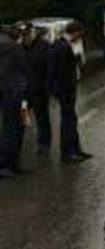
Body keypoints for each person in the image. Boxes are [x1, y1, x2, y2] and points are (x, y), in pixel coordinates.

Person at [50, 21, 91, 164]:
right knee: (68, 122)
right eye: (79, 34)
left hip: (66, 89)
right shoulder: (62, 47)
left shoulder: (62, 45)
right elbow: (61, 71)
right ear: (75, 32)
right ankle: (67, 153)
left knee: (71, 120)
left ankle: (76, 149)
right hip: (65, 90)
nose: (80, 37)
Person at [0, 25, 29, 177]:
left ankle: (11, 164)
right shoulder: (10, 45)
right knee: (12, 129)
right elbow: (15, 71)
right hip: (13, 92)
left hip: (10, 91)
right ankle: (7, 164)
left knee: (12, 127)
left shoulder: (6, 43)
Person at [22, 23, 52, 154]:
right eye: (23, 34)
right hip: (23, 92)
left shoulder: (44, 46)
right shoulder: (18, 47)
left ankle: (44, 144)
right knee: (21, 117)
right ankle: (17, 145)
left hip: (40, 90)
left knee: (42, 119)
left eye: (27, 34)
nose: (25, 37)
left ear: (32, 33)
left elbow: (49, 68)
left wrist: (48, 86)